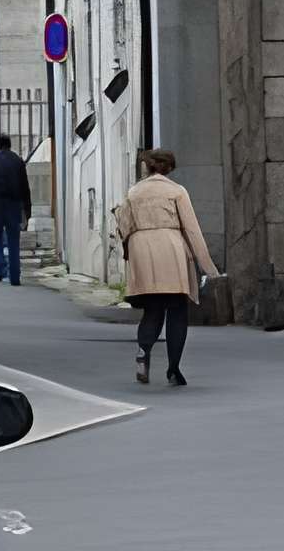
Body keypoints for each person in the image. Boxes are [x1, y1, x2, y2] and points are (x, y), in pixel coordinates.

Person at [114, 148, 217, 388]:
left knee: (153, 308)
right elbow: (191, 229)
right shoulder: (176, 191)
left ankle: (143, 350)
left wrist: (130, 257)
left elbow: (124, 227)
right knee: (177, 309)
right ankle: (173, 369)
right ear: (169, 168)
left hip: (142, 248)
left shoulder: (133, 192)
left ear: (148, 168)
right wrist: (207, 266)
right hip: (171, 249)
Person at [0, 133, 31, 287]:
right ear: (9, 145)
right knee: (13, 239)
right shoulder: (18, 161)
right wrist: (27, 209)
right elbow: (25, 187)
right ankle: (15, 276)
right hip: (14, 204)